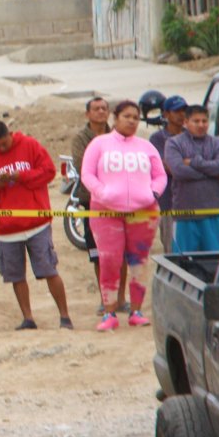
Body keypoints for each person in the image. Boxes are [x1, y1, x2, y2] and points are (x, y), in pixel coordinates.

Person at [80, 100, 166, 331]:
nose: (131, 121)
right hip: (106, 211)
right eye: (126, 116)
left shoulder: (146, 147)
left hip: (143, 212)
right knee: (109, 260)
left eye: (135, 117)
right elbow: (87, 173)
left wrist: (152, 193)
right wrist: (102, 192)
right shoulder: (99, 144)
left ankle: (136, 311)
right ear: (115, 118)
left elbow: (160, 176)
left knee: (138, 262)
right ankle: (109, 312)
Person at [0, 121, 71, 330]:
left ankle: (65, 316)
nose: (2, 149)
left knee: (49, 269)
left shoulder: (29, 145)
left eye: (4, 144)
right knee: (16, 276)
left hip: (37, 222)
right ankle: (28, 318)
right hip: (8, 229)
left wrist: (20, 176)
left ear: (9, 134)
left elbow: (48, 172)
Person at [72, 97, 126, 315]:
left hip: (121, 203)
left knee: (121, 254)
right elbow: (82, 165)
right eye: (96, 109)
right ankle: (106, 300)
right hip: (92, 202)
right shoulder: (80, 139)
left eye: (104, 108)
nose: (101, 112)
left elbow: (127, 163)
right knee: (99, 255)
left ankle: (121, 299)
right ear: (87, 114)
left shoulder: (120, 135)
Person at [164, 104, 219, 254]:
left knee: (217, 261)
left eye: (204, 121)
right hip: (184, 215)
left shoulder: (217, 143)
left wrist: (194, 162)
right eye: (196, 121)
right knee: (184, 262)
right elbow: (178, 171)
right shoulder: (174, 143)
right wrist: (209, 173)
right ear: (185, 122)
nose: (201, 125)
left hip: (214, 215)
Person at [149, 95, 187, 252]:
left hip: (193, 201)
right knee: (173, 252)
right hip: (168, 202)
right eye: (176, 111)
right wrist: (190, 165)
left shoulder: (192, 135)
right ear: (165, 114)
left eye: (184, 110)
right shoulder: (158, 138)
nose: (181, 114)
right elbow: (167, 167)